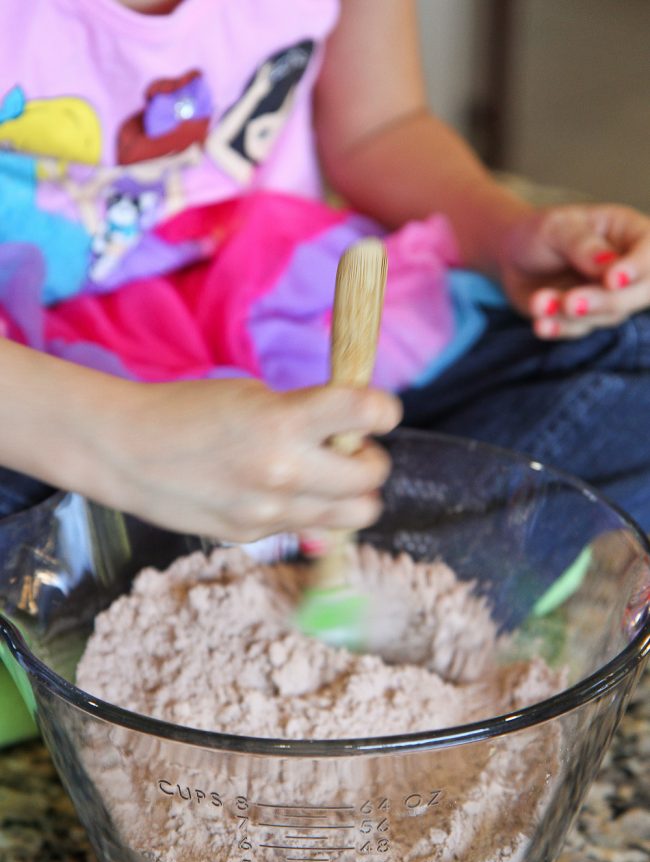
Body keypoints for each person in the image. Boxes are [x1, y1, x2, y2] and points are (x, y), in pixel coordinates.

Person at [0, 0, 648, 544]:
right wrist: (122, 441)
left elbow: (379, 127)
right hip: (43, 393)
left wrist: (502, 231)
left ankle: (290, 564)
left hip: (280, 310)